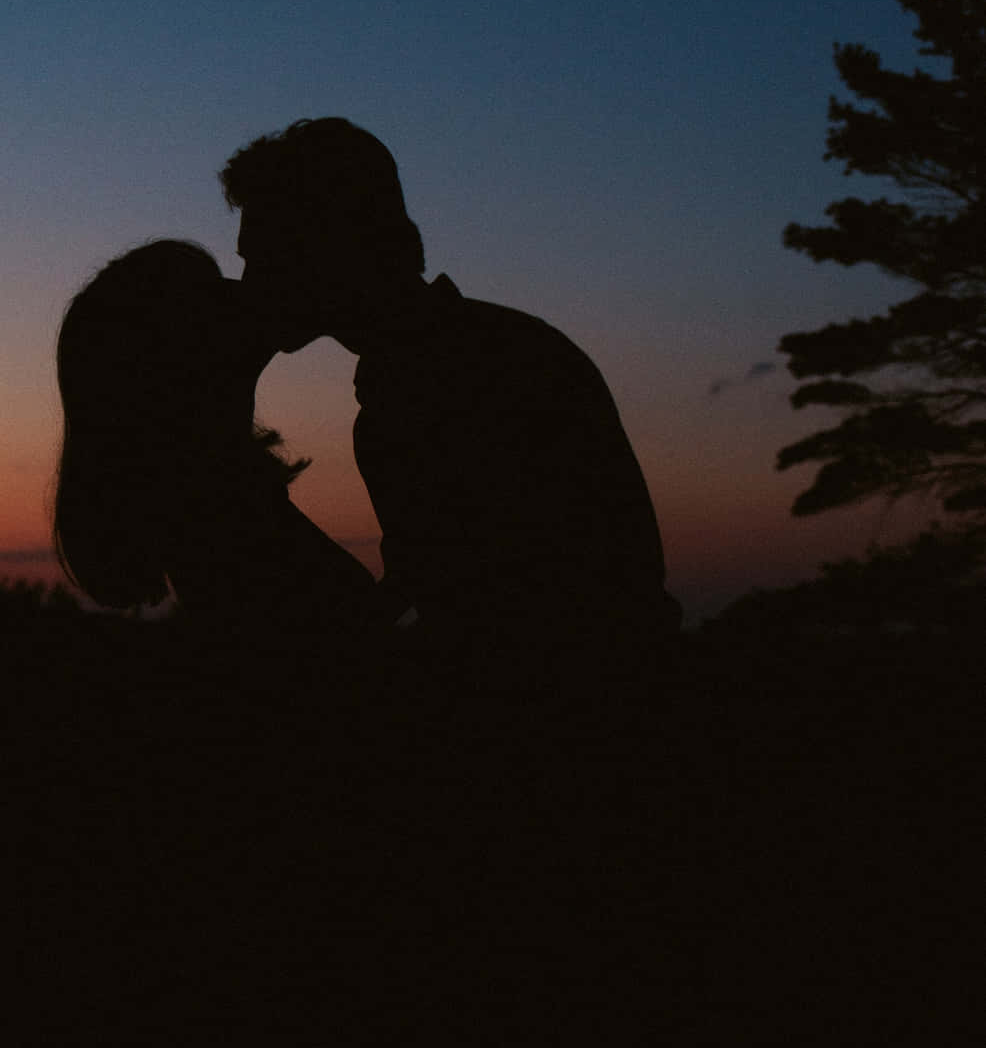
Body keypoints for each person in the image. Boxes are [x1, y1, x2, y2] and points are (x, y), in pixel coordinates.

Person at [219, 118, 681, 697]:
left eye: (263, 256)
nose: (249, 281)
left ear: (327, 245)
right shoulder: (469, 358)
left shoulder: (467, 377)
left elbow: (505, 623)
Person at [52, 239, 382, 638]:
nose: (238, 290)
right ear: (172, 361)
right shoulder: (229, 537)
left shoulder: (218, 516)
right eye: (208, 295)